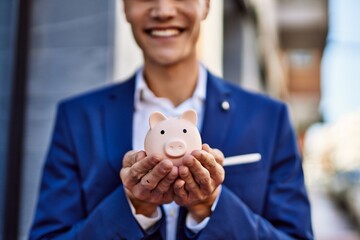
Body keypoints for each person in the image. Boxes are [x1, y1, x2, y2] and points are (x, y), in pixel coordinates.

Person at [29, 0, 313, 239]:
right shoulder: (78, 117)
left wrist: (210, 206)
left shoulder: (268, 118)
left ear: (206, 5)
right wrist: (134, 208)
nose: (163, 10)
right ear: (124, 7)